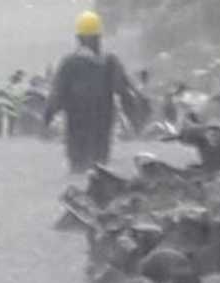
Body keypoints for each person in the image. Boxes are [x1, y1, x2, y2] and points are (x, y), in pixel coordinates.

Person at [44, 10, 145, 174]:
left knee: (78, 168)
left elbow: (56, 95)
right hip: (102, 127)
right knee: (100, 170)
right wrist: (135, 119)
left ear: (78, 39)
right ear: (99, 38)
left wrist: (47, 119)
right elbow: (125, 93)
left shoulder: (69, 64)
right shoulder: (109, 63)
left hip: (76, 128)